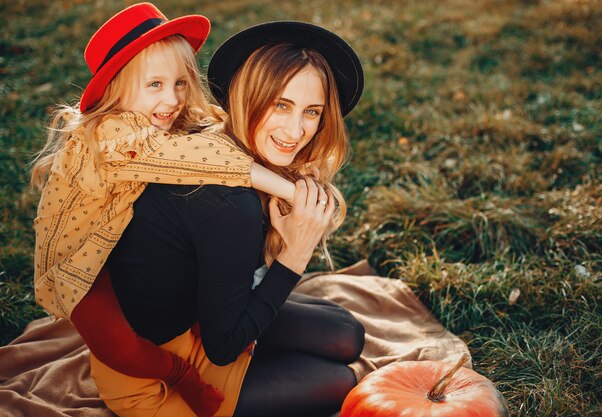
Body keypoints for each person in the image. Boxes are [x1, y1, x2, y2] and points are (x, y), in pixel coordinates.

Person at [88, 21, 366, 417]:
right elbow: (223, 349)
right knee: (343, 381)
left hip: (200, 318)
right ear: (246, 97)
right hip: (158, 377)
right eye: (281, 105)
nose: (296, 130)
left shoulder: (212, 141)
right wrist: (295, 254)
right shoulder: (229, 205)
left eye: (312, 112)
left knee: (347, 334)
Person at [30, 3, 295, 416]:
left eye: (180, 83)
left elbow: (205, 136)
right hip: (144, 371)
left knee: (339, 344)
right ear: (116, 90)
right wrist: (184, 380)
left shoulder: (153, 122)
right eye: (154, 84)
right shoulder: (108, 138)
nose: (172, 99)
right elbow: (197, 157)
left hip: (188, 331)